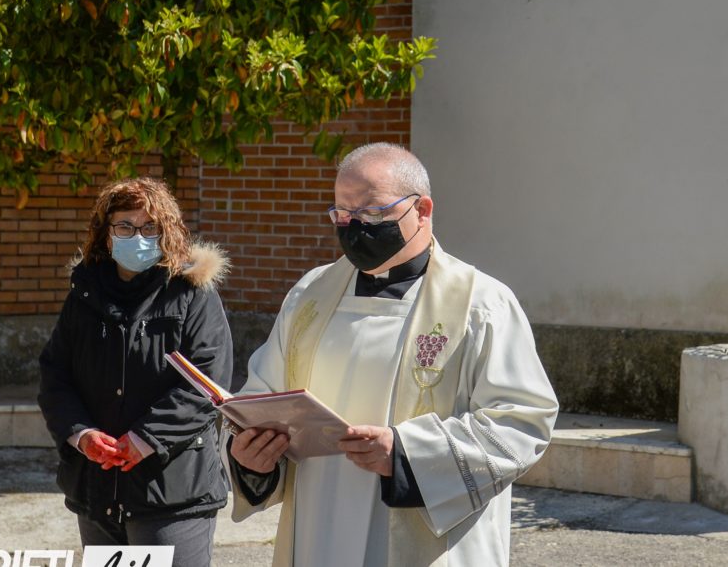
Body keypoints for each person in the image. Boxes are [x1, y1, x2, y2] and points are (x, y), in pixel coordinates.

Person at [225, 142, 558, 567]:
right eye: (342, 214)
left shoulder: (481, 304)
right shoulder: (310, 296)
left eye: (372, 214)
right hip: (318, 526)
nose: (355, 227)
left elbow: (522, 421)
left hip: (421, 536)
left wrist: (405, 454)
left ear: (422, 210)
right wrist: (252, 458)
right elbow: (262, 399)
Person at [38, 177, 233, 567]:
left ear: (167, 232)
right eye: (125, 226)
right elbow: (55, 376)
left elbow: (206, 385)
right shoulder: (84, 295)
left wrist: (146, 438)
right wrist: (81, 434)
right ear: (106, 234)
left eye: (149, 227)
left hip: (171, 491)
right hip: (97, 489)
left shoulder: (191, 294)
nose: (138, 236)